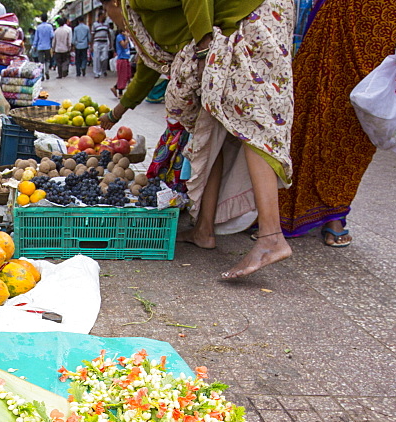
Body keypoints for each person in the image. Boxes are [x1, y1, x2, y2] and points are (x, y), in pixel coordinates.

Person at [99, 0, 295, 280]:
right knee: (208, 133)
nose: (111, 19)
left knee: (254, 124)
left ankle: (271, 237)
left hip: (248, 24)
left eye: (107, 12)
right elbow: (147, 67)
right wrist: (117, 111)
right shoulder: (139, 14)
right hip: (218, 40)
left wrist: (204, 48)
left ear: (114, 3)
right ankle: (204, 229)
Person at [277, 0, 396, 247]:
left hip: (388, 23)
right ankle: (281, 209)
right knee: (308, 103)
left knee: (359, 116)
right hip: (335, 15)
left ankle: (336, 209)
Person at [31, 13, 54, 79]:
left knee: (41, 61)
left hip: (40, 47)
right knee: (47, 60)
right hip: (47, 47)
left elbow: (36, 38)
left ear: (41, 19)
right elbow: (52, 36)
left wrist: (34, 46)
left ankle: (42, 74)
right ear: (46, 19)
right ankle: (47, 71)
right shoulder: (50, 26)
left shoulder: (38, 27)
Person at [91, 11, 113, 77]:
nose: (105, 16)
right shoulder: (95, 24)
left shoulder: (106, 24)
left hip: (104, 43)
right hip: (97, 43)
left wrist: (110, 43)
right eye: (103, 15)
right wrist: (91, 45)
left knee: (105, 57)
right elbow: (92, 34)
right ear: (100, 16)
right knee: (96, 58)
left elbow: (108, 34)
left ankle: (103, 70)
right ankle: (96, 73)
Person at [112, 28, 132, 97]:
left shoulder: (125, 37)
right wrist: (126, 37)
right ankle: (120, 92)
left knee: (127, 75)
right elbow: (124, 45)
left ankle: (115, 87)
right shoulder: (119, 37)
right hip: (121, 58)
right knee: (122, 76)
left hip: (126, 58)